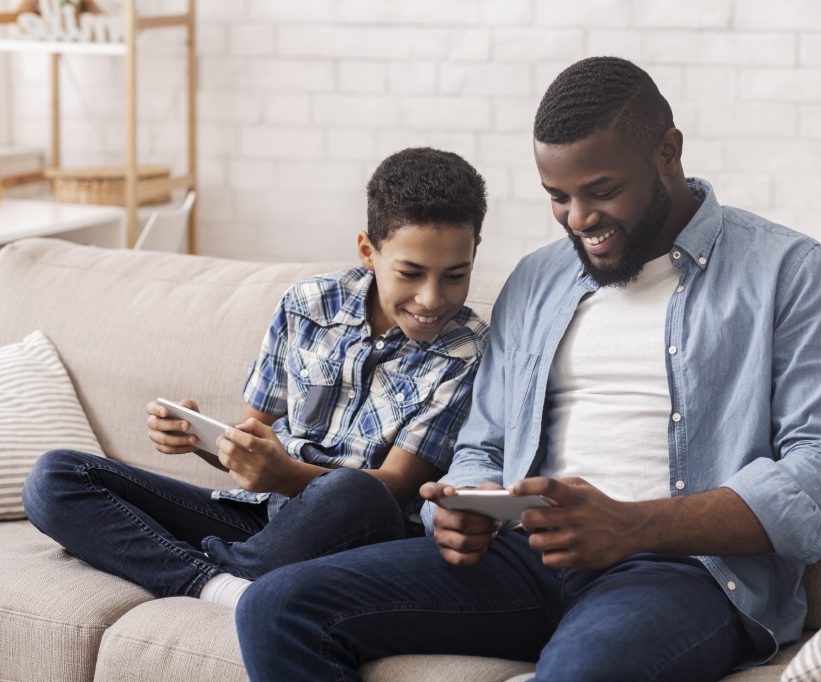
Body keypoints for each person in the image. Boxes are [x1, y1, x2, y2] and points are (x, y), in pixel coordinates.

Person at [235, 57, 821, 682]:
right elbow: (482, 445)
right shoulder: (539, 279)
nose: (578, 220)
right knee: (278, 608)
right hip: (522, 556)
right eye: (557, 197)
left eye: (602, 192)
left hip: (680, 570)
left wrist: (632, 526)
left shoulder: (786, 271)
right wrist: (463, 511)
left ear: (668, 152)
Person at [22, 147, 490, 609]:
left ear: (473, 256)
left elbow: (394, 487)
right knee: (56, 476)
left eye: (455, 275)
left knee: (354, 490)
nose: (431, 298)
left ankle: (199, 570)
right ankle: (220, 583)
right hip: (259, 519)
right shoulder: (308, 304)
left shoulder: (470, 349)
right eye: (410, 273)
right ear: (368, 251)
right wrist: (202, 438)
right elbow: (251, 439)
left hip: (356, 533)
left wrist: (287, 475)